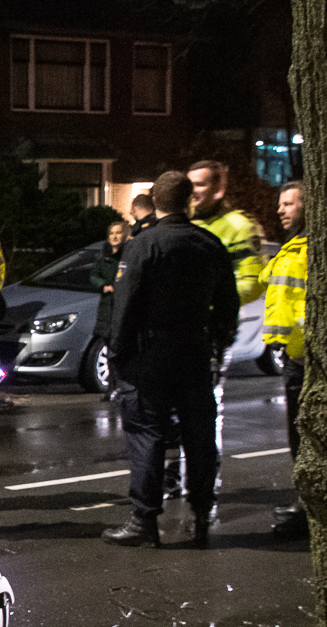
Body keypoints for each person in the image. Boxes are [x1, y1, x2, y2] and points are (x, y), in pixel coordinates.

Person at [101, 171, 240, 548]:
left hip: (150, 356)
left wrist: (118, 354)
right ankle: (201, 513)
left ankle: (144, 519)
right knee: (198, 436)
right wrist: (217, 343)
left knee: (147, 434)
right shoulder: (209, 243)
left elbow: (125, 305)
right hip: (193, 351)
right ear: (188, 202)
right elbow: (229, 303)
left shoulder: (144, 245)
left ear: (157, 202)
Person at [263, 181, 310, 538]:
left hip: (306, 358)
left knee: (304, 435)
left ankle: (306, 506)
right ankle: (304, 501)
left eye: (289, 204)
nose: (281, 210)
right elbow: (265, 280)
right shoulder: (290, 247)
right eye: (280, 204)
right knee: (297, 434)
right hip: (292, 355)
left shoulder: (309, 250)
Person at [187, 160, 268, 304]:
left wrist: (211, 301)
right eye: (189, 185)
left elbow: (253, 282)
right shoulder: (183, 224)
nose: (192, 190)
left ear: (218, 189)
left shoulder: (240, 226)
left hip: (217, 321)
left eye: (200, 184)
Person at [89, 215, 129, 345]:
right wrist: (103, 285)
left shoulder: (129, 255)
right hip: (106, 306)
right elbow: (94, 275)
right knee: (107, 341)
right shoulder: (103, 256)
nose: (114, 236)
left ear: (125, 235)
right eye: (111, 233)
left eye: (118, 233)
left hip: (123, 306)